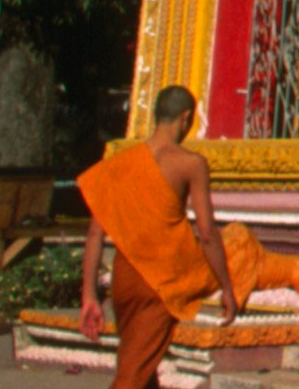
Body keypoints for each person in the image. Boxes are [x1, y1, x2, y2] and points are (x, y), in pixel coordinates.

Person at [77, 85, 236, 387]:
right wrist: (226, 287)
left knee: (141, 364)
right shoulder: (190, 164)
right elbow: (207, 234)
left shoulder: (121, 163)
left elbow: (95, 233)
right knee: (132, 375)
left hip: (125, 279)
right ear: (186, 118)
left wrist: (88, 294)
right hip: (159, 283)